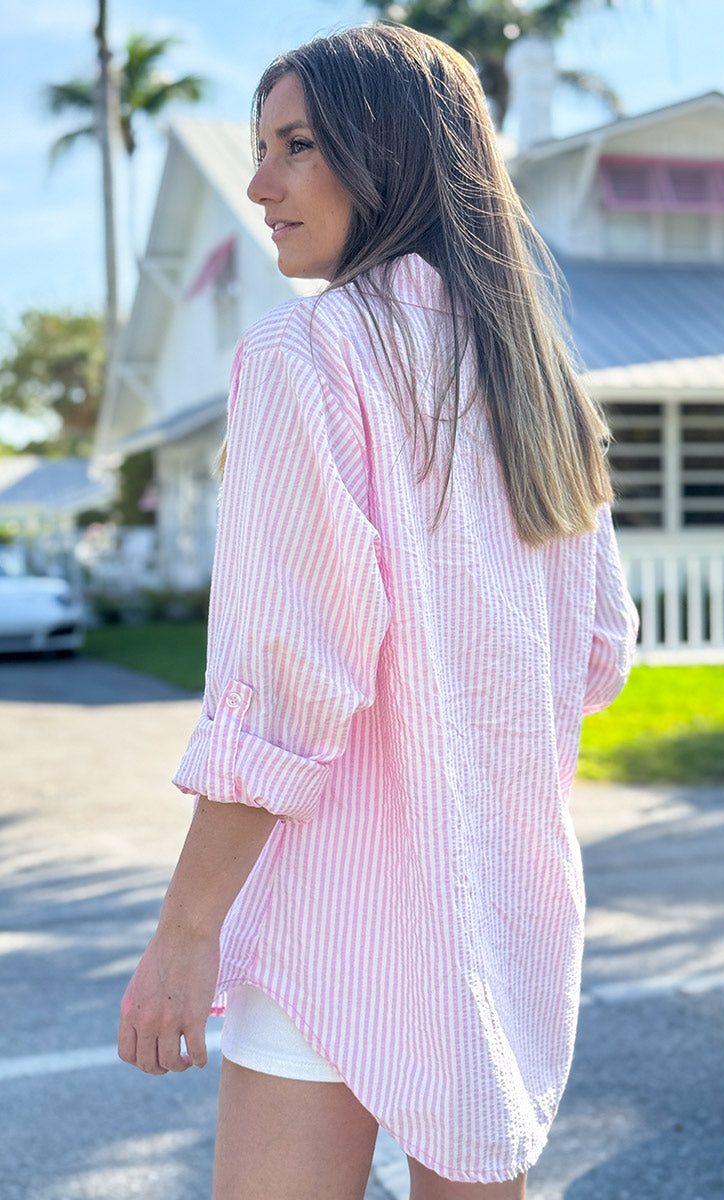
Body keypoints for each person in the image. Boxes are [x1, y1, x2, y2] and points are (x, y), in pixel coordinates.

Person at [118, 22, 638, 1200]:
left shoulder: (310, 357)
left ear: (388, 153)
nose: (258, 184)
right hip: (498, 916)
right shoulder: (537, 382)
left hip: (334, 930)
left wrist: (184, 931)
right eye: (260, 149)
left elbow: (287, 682)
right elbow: (598, 654)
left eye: (295, 146)